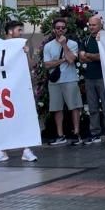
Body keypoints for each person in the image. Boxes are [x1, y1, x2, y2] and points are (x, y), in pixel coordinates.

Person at [0, 21, 39, 164]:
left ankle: (26, 150)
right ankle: (1, 151)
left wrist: (26, 54)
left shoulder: (23, 46)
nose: (21, 32)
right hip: (3, 90)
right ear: (11, 31)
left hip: (20, 88)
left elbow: (31, 66)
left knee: (23, 118)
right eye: (19, 30)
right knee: (3, 120)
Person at [44, 18, 82, 146]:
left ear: (65, 29)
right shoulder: (48, 46)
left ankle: (76, 133)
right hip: (55, 81)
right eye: (58, 27)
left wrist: (64, 45)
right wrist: (61, 61)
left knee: (74, 107)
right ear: (54, 29)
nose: (60, 30)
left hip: (70, 79)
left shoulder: (72, 44)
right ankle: (60, 135)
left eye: (63, 28)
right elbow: (47, 65)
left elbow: (71, 60)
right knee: (56, 108)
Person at [81, 14, 105, 144]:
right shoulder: (86, 40)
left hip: (103, 77)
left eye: (94, 25)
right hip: (89, 78)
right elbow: (81, 57)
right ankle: (95, 133)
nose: (91, 27)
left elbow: (103, 56)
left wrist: (89, 55)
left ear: (100, 25)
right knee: (92, 108)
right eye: (90, 25)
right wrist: (93, 56)